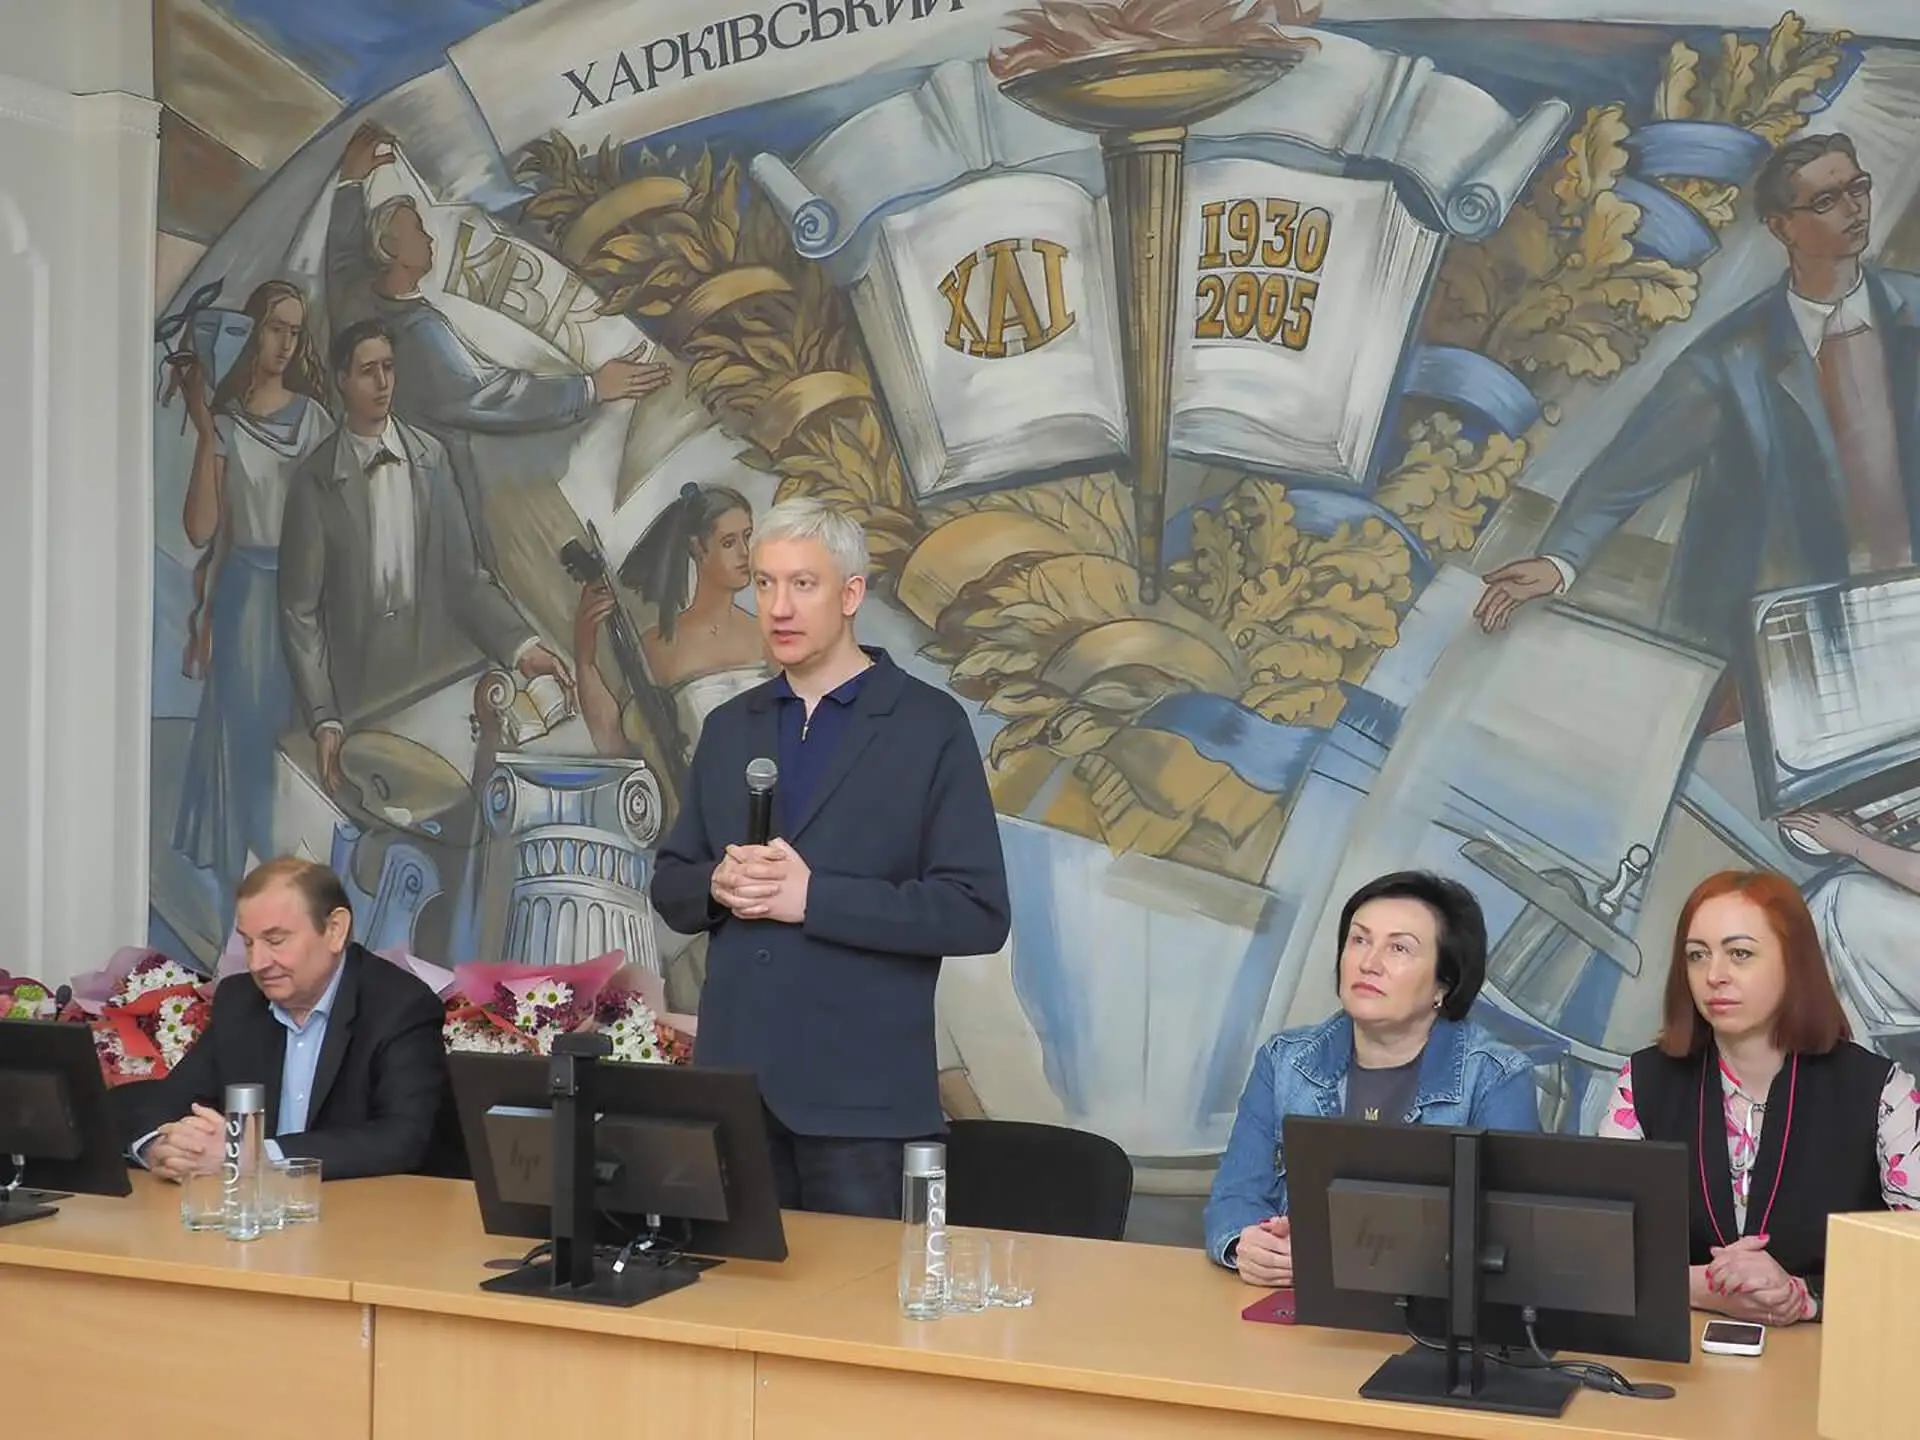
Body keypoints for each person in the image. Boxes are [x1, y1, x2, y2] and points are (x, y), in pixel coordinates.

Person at [650, 497, 1011, 1217]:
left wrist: (814, 899)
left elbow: (976, 913)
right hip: (735, 1095)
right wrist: (718, 884)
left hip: (863, 1106)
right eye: (765, 583)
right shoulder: (730, 727)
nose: (778, 607)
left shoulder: (927, 726)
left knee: (859, 1290)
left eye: (802, 584)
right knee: (733, 1288)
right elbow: (672, 886)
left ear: (850, 595)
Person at [1476, 133, 1920, 660]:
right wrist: (1559, 561)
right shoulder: (1733, 358)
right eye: (1826, 200)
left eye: (1858, 188)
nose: (1853, 208)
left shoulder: (1913, 307)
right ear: (1782, 227)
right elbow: (1626, 472)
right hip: (1804, 627)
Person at [327, 123, 670, 568]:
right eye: (417, 232)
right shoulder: (419, 334)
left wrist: (350, 184)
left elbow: (340, 262)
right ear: (391, 251)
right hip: (433, 504)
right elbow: (494, 396)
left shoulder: (359, 300)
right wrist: (591, 388)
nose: (430, 238)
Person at [1597, 870, 1919, 1324]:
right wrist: (1704, 1288)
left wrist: (1805, 1297)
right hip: (1678, 1351)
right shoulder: (1644, 1081)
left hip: (1834, 1354)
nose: (1714, 976)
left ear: (1794, 962)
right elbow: (1597, 1252)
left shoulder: (1882, 1091)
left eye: (1740, 954)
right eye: (1697, 955)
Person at [1204, 871, 1542, 1287]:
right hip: (1294, 1302)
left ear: (1444, 983)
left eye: (1399, 948)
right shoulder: (1285, 1060)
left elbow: (1511, 1237)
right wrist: (1248, 1244)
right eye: (1359, 940)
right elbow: (1235, 1194)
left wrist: (1339, 1255)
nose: (1369, 962)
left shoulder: (1495, 1076)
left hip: (1427, 1311)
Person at [278, 318, 574, 792]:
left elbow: (466, 578)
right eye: (368, 371)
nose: (382, 383)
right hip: (357, 701)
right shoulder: (315, 481)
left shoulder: (431, 458)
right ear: (342, 379)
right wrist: (323, 717)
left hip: (432, 693)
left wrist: (523, 648)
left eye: (389, 368)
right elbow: (300, 612)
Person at [115, 857, 451, 1182]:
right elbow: (173, 1099)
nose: (258, 963)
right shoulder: (240, 1000)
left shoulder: (399, 1005)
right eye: (249, 943)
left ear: (335, 930)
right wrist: (159, 1146)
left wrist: (259, 1156)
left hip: (360, 1210)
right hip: (251, 1210)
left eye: (275, 941)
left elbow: (402, 1138)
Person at [166, 280, 334, 916]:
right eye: (274, 328)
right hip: (246, 599)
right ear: (251, 331)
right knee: (244, 740)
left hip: (302, 593)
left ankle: (288, 887)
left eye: (295, 331)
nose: (286, 343)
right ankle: (246, 896)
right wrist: (205, 428)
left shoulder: (315, 421)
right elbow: (201, 529)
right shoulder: (229, 425)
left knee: (290, 738)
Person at [575, 481, 767, 763]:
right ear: (698, 548)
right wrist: (585, 659)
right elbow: (617, 743)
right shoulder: (659, 646)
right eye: (728, 542)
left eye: (747, 537)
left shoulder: (766, 635)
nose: (745, 553)